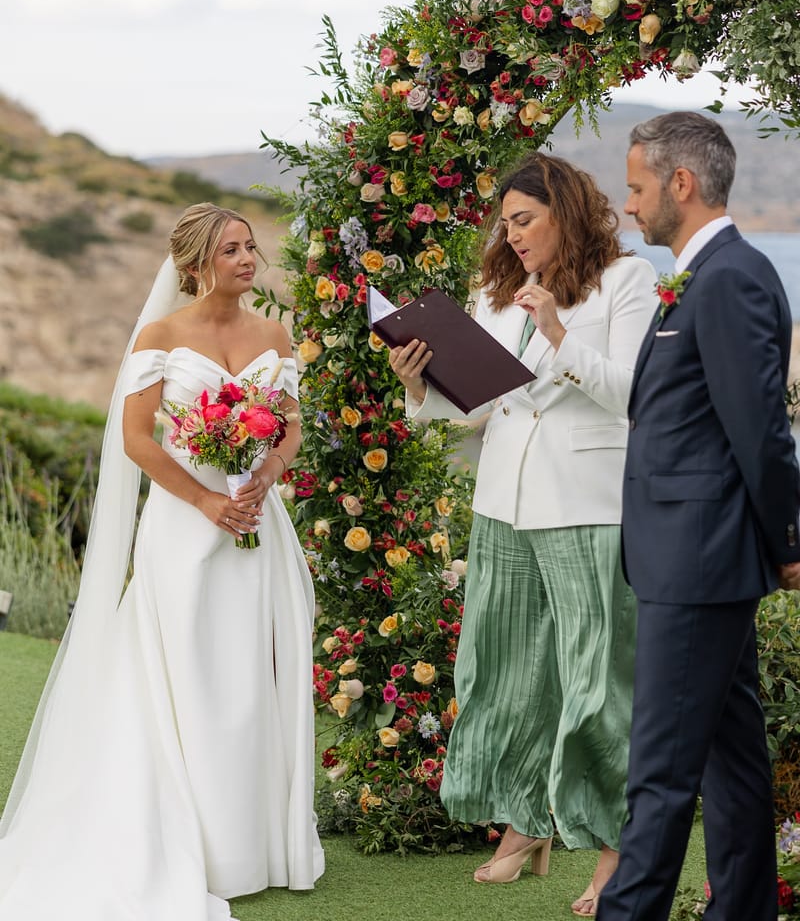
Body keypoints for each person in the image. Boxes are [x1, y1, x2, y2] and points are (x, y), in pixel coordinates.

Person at [0, 203, 324, 921]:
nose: (248, 259)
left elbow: (291, 424)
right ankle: (203, 844)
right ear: (196, 264)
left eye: (249, 247)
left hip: (258, 524)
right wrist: (206, 503)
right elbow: (139, 438)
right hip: (185, 525)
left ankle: (260, 843)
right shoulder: (162, 336)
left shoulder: (275, 332)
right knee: (192, 674)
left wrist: (267, 472)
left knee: (252, 673)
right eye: (231, 250)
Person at [388, 152, 656, 914]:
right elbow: (479, 402)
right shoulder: (494, 287)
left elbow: (636, 393)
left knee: (597, 680)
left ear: (565, 212)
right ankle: (525, 825)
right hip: (504, 496)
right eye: (504, 224)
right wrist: (421, 386)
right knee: (505, 672)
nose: (511, 238)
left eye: (524, 220)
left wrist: (558, 332)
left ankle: (617, 852)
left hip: (588, 499)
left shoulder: (626, 281)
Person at [595, 112, 800, 921]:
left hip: (699, 559)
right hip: (689, 555)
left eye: (638, 187)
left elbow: (761, 431)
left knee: (661, 773)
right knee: (732, 759)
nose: (628, 204)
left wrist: (789, 540)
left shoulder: (732, 279)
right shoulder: (700, 276)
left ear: (681, 184)